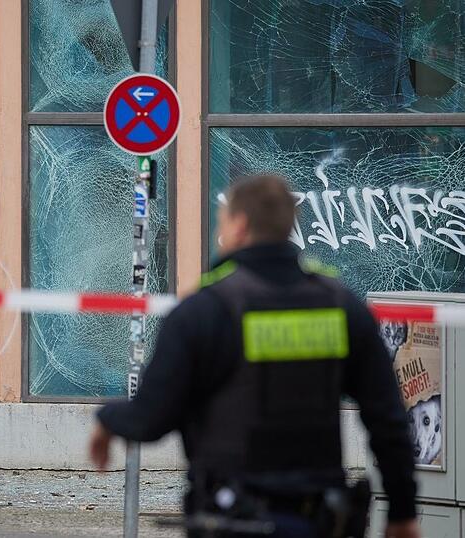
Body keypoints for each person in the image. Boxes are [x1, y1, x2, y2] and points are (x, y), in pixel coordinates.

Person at [89, 174, 419, 537]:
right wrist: (402, 512)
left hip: (233, 518)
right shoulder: (342, 306)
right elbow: (387, 418)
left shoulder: (205, 310)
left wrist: (107, 422)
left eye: (223, 220)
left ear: (241, 225)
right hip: (320, 518)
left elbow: (151, 418)